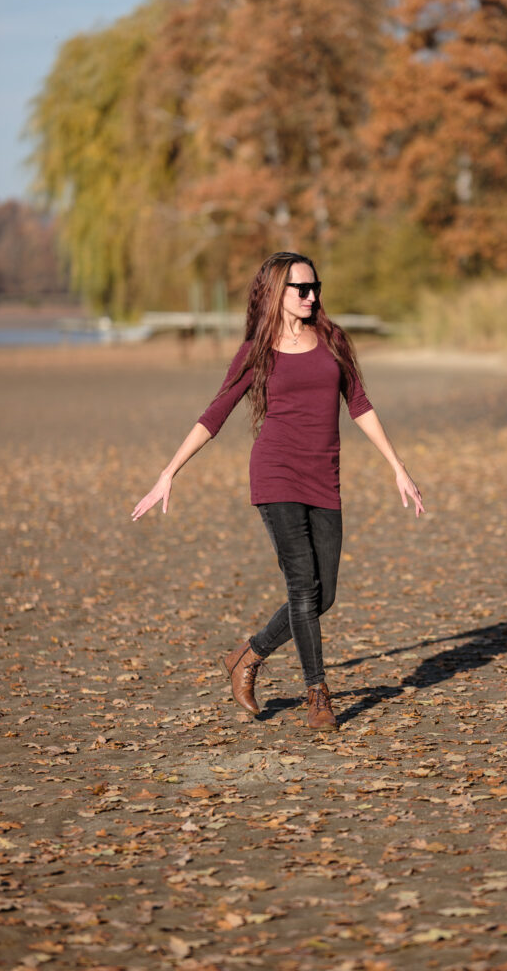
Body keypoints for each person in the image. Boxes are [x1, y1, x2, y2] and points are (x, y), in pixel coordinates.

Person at [131, 251, 424, 731]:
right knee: (302, 587)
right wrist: (169, 473)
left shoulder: (333, 340)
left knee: (323, 594)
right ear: (275, 293)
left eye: (315, 288)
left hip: (324, 476)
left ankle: (247, 655)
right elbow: (215, 413)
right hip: (275, 473)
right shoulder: (256, 352)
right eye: (301, 289)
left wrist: (397, 466)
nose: (311, 296)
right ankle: (318, 695)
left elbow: (359, 403)